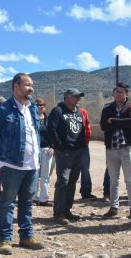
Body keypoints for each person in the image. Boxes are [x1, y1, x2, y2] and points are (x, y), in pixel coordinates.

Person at [0, 73, 45, 255]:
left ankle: (26, 236)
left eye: (31, 85)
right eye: (27, 84)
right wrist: (5, 154)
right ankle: (5, 239)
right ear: (16, 87)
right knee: (7, 203)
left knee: (27, 202)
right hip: (11, 165)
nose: (31, 88)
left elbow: (35, 132)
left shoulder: (33, 108)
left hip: (32, 164)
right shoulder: (3, 110)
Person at [47, 88, 91, 225]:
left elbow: (82, 129)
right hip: (64, 152)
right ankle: (58, 213)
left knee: (72, 181)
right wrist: (59, 146)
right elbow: (51, 129)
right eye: (75, 96)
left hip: (78, 151)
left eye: (79, 97)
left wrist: (83, 146)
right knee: (63, 181)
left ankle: (67, 210)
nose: (78, 99)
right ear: (66, 97)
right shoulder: (58, 111)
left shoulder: (78, 112)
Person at [100, 82, 131, 220]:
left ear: (126, 94)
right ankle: (113, 207)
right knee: (113, 180)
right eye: (116, 91)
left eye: (121, 92)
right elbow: (104, 126)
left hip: (127, 148)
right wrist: (121, 122)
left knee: (130, 179)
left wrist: (114, 120)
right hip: (111, 149)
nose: (118, 94)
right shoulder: (107, 108)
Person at [33, 98, 53, 207]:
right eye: (38, 105)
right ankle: (34, 198)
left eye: (43, 104)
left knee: (45, 175)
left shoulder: (48, 119)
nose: (41, 106)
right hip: (34, 150)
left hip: (46, 149)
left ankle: (44, 199)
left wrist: (53, 146)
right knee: (34, 174)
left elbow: (54, 133)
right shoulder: (31, 119)